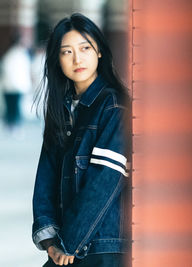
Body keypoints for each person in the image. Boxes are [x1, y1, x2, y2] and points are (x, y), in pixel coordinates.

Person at [32, 12, 132, 267]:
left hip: (101, 246)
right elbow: (45, 178)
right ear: (56, 59)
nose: (77, 58)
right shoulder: (60, 109)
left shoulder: (112, 105)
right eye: (66, 52)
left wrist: (68, 243)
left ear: (99, 51)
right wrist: (50, 242)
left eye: (85, 48)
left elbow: (105, 179)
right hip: (67, 247)